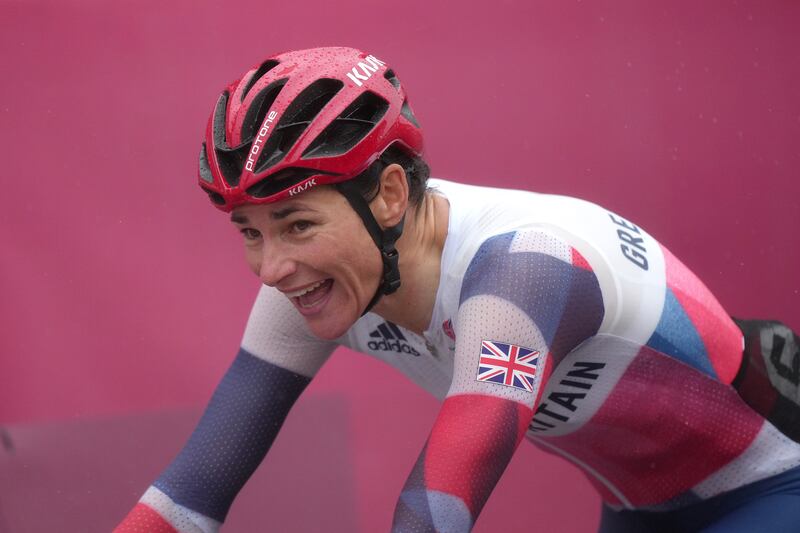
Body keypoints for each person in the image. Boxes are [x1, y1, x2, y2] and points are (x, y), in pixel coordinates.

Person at [115, 47, 800, 532]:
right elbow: (193, 490)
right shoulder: (321, 278)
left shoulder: (524, 268)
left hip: (773, 485)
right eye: (251, 232)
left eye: (296, 224)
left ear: (387, 195)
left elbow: (436, 508)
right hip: (639, 511)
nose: (272, 268)